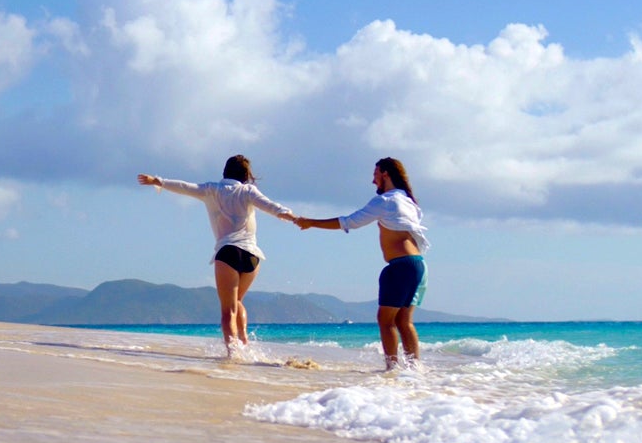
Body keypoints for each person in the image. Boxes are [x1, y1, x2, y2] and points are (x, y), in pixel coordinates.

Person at [138, 155, 296, 352]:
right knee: (237, 302)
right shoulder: (248, 190)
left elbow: (185, 187)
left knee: (227, 310)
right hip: (252, 255)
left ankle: (233, 353)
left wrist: (158, 180)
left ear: (225, 172)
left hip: (228, 252)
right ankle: (245, 343)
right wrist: (291, 216)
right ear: (246, 175)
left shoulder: (211, 189)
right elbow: (270, 205)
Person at [294, 157, 429, 370]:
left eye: (375, 174)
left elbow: (349, 222)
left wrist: (311, 222)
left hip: (400, 267)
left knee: (386, 321)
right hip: (419, 265)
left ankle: (392, 369)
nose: (373, 181)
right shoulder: (409, 202)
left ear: (385, 174)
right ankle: (415, 370)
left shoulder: (385, 201)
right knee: (404, 322)